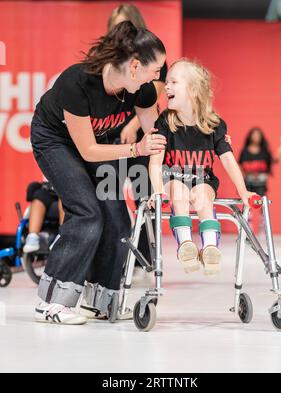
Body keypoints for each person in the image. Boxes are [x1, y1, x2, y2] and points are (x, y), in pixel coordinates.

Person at [31, 21, 166, 325]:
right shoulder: (76, 83)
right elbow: (88, 152)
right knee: (87, 212)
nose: (158, 77)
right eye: (154, 69)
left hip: (99, 141)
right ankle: (50, 302)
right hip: (56, 142)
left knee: (118, 221)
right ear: (134, 66)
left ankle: (101, 302)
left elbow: (154, 135)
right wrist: (135, 150)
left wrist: (193, 133)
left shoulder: (142, 91)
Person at [148, 59, 255, 276]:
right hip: (172, 178)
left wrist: (243, 191)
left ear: (193, 90)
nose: (166, 86)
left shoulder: (214, 124)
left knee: (203, 198)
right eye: (166, 82)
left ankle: (210, 248)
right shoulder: (164, 122)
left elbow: (227, 160)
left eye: (173, 82)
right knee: (178, 191)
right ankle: (186, 245)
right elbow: (155, 162)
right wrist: (158, 191)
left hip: (202, 180)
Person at [106, 4, 168, 272]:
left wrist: (133, 125)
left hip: (141, 134)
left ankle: (145, 256)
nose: (120, 31)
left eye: (125, 24)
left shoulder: (152, 56)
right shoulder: (107, 58)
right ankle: (113, 256)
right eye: (116, 25)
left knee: (145, 195)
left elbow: (153, 92)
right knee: (109, 194)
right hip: (111, 138)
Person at [23, 181, 64, 253]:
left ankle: (62, 236)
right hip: (52, 190)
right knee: (39, 195)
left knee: (64, 192)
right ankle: (33, 237)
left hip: (67, 190)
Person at [238, 127, 273, 196]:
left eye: (258, 135)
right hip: (247, 183)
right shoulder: (244, 152)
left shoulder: (265, 152)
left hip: (261, 184)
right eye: (254, 135)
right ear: (250, 136)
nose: (256, 137)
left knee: (260, 202)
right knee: (248, 203)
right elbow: (240, 165)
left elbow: (270, 164)